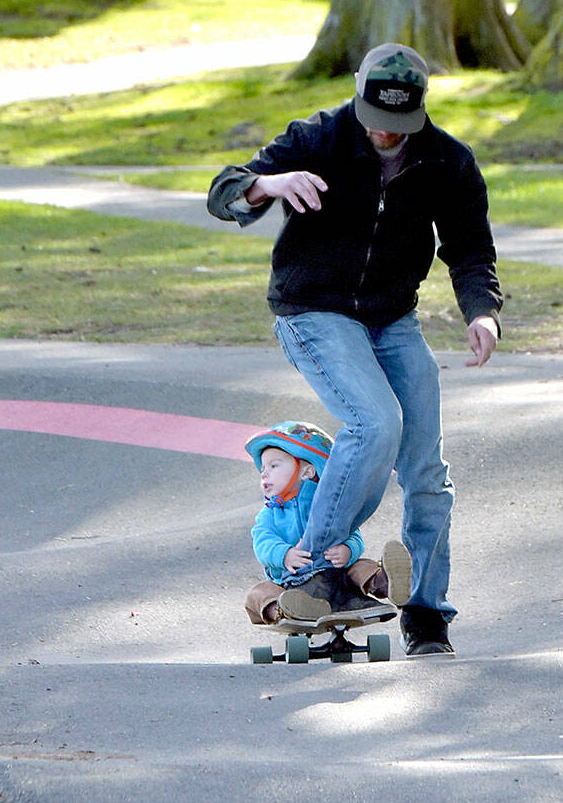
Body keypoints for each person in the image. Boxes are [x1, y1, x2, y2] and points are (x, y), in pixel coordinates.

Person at [208, 43, 503, 656]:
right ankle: (316, 570)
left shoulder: (447, 161)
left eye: (398, 126)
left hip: (392, 318)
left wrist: (483, 312)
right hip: (313, 311)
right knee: (375, 421)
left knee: (426, 473)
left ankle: (426, 614)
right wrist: (269, 183)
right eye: (374, 120)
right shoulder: (317, 137)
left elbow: (470, 246)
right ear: (357, 92)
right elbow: (223, 192)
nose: (383, 135)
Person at [242, 421, 413, 626]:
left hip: (337, 575)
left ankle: (386, 582)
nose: (264, 473)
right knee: (258, 593)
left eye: (274, 465)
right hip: (290, 582)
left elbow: (352, 532)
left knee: (361, 567)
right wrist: (284, 554)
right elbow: (263, 541)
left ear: (307, 471)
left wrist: (348, 549)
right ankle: (286, 608)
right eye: (262, 468)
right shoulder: (269, 514)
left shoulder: (327, 505)